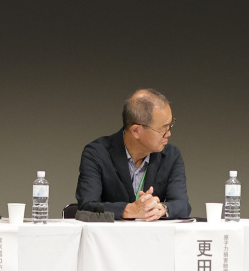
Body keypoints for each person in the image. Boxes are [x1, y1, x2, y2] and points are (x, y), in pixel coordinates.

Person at [76, 89, 190, 220]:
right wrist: (129, 210)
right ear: (136, 130)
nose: (169, 133)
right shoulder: (97, 154)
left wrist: (161, 209)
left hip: (152, 238)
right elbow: (86, 206)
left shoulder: (171, 156)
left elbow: (182, 205)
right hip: (109, 238)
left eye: (170, 125)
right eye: (163, 128)